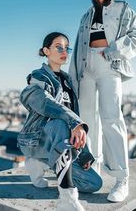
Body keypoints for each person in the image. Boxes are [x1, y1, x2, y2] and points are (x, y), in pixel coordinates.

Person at [69, 0, 136, 203]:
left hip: (109, 63)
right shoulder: (86, 16)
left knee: (112, 117)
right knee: (87, 119)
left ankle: (122, 178)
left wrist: (113, 50)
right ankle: (93, 170)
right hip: (86, 67)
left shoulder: (123, 9)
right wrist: (73, 78)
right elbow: (78, 49)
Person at [17, 32, 102, 211]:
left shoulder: (68, 82)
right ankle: (67, 197)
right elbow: (42, 101)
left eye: (66, 48)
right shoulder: (39, 77)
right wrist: (74, 122)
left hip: (60, 144)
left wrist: (85, 153)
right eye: (59, 47)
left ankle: (40, 162)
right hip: (37, 139)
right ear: (46, 51)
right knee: (62, 124)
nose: (64, 51)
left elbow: (74, 118)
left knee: (94, 183)